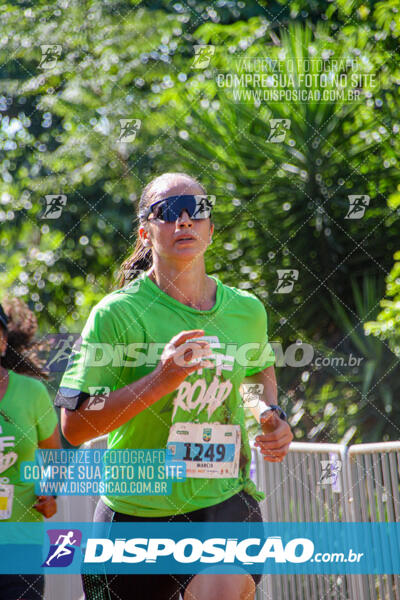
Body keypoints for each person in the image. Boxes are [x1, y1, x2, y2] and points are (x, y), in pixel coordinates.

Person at [56, 172, 293, 600]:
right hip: (134, 517)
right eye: (167, 211)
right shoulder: (116, 315)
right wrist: (162, 379)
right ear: (146, 233)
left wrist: (267, 415)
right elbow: (75, 425)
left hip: (223, 503)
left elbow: (257, 373)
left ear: (210, 228)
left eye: (196, 209)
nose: (183, 220)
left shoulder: (246, 311)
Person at [0, 297, 61, 600]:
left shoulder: (31, 393)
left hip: (20, 543)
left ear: (2, 343)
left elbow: (53, 456)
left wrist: (50, 493)